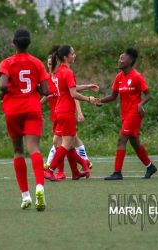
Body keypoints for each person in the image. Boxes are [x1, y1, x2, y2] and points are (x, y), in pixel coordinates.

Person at [0, 28, 50, 211]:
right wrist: (33, 86)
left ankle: (25, 196)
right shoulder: (37, 63)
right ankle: (40, 187)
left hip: (13, 110)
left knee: (18, 151)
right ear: (29, 43)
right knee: (34, 148)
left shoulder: (7, 62)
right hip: (32, 109)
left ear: (14, 43)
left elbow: (3, 85)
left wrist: (3, 93)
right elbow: (46, 91)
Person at [99, 48, 157, 180]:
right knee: (135, 143)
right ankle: (150, 166)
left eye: (122, 59)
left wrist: (140, 104)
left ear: (130, 61)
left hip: (134, 114)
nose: (119, 61)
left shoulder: (136, 76)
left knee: (121, 140)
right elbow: (113, 96)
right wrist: (100, 101)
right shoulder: (119, 77)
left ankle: (117, 172)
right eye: (119, 58)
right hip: (125, 115)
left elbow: (148, 95)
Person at [43, 45, 99, 181]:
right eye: (72, 54)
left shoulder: (60, 72)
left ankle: (76, 172)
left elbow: (69, 88)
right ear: (65, 57)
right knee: (66, 145)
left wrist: (87, 86)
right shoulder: (67, 72)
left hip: (59, 110)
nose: (74, 56)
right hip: (66, 111)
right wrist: (89, 99)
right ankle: (50, 171)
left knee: (69, 142)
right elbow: (73, 93)